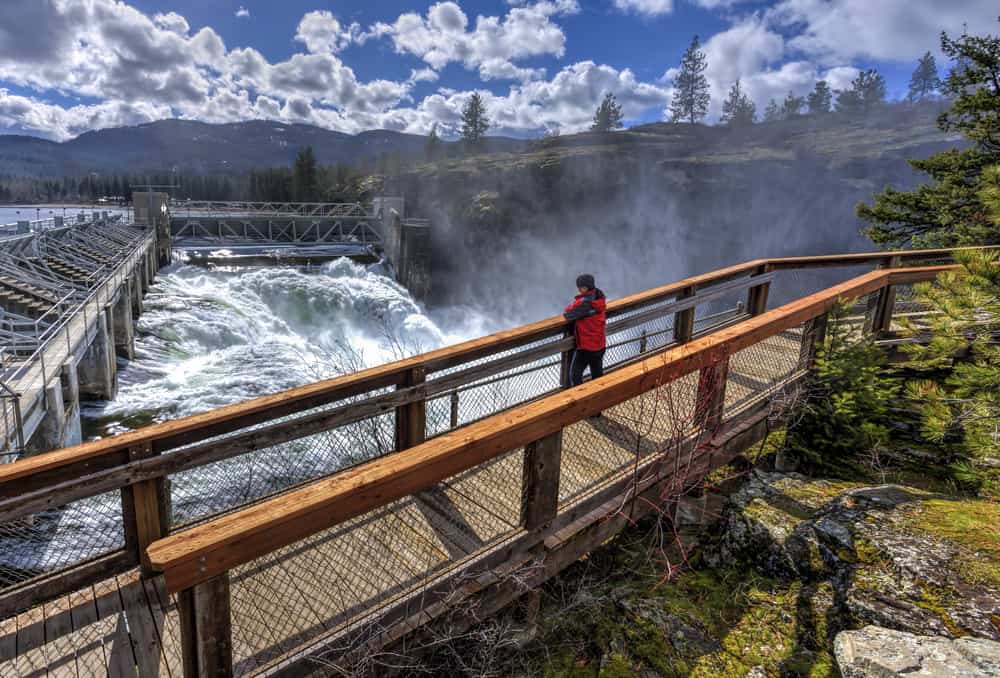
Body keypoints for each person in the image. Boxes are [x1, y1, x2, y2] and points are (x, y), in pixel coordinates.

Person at [563, 274, 607, 388]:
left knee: (575, 375)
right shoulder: (600, 298)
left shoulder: (584, 304)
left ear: (586, 288)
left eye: (580, 287)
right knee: (597, 375)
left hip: (586, 348)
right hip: (600, 345)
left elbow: (568, 314)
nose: (578, 289)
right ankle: (599, 398)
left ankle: (580, 400)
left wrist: (578, 302)